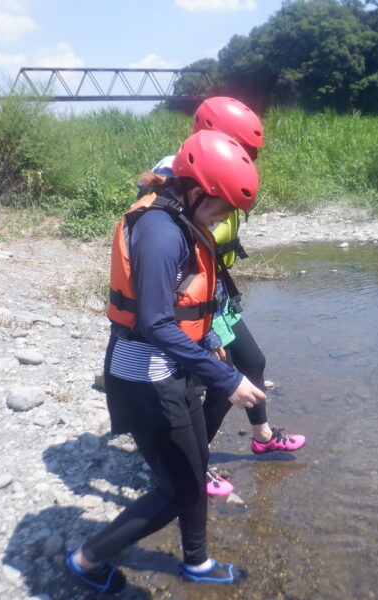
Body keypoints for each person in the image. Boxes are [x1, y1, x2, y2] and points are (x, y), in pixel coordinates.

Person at [64, 129, 265, 594]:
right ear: (196, 190)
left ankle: (196, 562)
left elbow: (183, 303)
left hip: (172, 369)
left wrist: (210, 337)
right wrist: (227, 377)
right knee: (178, 489)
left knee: (193, 474)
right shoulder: (158, 231)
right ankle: (84, 559)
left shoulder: (178, 216)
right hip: (146, 378)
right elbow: (154, 322)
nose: (224, 218)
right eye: (222, 207)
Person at [148, 97, 305, 497]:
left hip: (217, 291)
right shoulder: (183, 181)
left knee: (253, 361)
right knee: (222, 384)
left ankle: (263, 435)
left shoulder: (215, 178)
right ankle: (191, 464)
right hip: (196, 296)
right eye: (241, 149)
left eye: (249, 153)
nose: (245, 158)